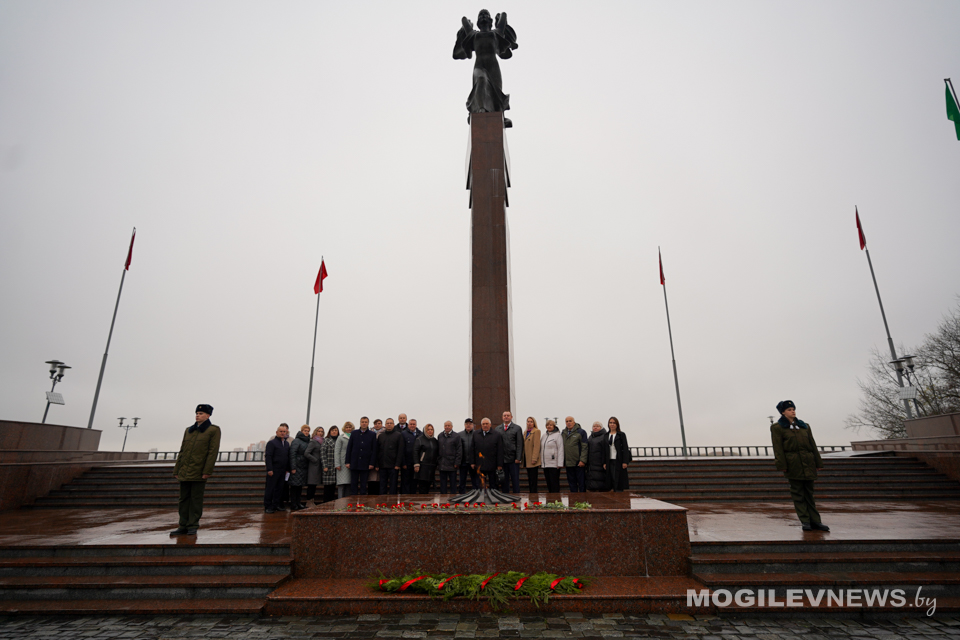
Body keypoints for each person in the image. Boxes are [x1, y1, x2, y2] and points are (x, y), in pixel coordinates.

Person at [771, 400, 829, 531]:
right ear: (783, 412)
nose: (793, 411)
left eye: (793, 408)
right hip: (793, 464)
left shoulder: (804, 426)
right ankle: (805, 521)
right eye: (789, 409)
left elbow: (813, 445)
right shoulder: (777, 427)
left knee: (809, 493)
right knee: (798, 494)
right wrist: (782, 465)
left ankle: (816, 521)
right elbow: (778, 448)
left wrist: (818, 462)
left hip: (808, 462)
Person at [171, 404, 222, 535]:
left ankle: (193, 525)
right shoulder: (189, 430)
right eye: (197, 413)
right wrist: (176, 470)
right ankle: (182, 525)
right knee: (183, 499)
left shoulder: (213, 430)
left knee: (195, 499)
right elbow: (182, 450)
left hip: (199, 471)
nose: (197, 415)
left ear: (208, 415)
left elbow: (212, 452)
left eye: (201, 413)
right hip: (184, 470)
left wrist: (207, 471)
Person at [346, 416, 378, 496]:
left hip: (366, 463)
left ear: (368, 423)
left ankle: (363, 503)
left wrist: (372, 463)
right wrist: (347, 461)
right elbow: (349, 448)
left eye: (366, 422)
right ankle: (353, 501)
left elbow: (374, 450)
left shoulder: (372, 434)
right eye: (362, 422)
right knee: (354, 484)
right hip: (354, 462)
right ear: (360, 423)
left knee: (363, 485)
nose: (364, 423)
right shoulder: (354, 433)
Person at [263, 423, 290, 513]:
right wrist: (269, 469)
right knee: (270, 488)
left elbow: (287, 456)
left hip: (282, 470)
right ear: (277, 432)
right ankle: (268, 506)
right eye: (281, 431)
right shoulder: (272, 443)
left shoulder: (286, 444)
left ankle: (276, 505)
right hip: (274, 469)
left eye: (284, 432)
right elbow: (268, 456)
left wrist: (287, 469)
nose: (282, 433)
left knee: (279, 489)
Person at [472, 417, 504, 488]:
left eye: (487, 424)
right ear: (481, 425)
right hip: (480, 464)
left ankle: (494, 498)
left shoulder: (497, 435)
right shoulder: (475, 434)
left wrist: (499, 464)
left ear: (490, 425)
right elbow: (472, 449)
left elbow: (500, 450)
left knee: (493, 484)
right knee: (480, 484)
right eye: (483, 424)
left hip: (492, 464)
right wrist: (472, 462)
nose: (485, 425)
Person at [498, 411, 524, 494]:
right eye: (504, 415)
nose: (506, 417)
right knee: (504, 481)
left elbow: (520, 444)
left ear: (511, 417)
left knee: (515, 480)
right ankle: (505, 497)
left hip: (513, 460)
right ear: (502, 417)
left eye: (508, 415)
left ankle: (517, 497)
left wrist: (518, 458)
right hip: (503, 460)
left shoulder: (517, 428)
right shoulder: (498, 429)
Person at [377, 418, 404, 495]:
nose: (389, 424)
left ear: (393, 424)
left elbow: (400, 451)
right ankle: (382, 503)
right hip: (382, 465)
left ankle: (393, 504)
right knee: (382, 485)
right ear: (385, 425)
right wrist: (377, 464)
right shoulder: (381, 436)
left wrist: (397, 464)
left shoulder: (398, 435)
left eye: (391, 423)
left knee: (393, 486)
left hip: (393, 466)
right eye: (387, 423)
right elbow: (378, 451)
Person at [288, 424, 311, 510]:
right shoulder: (297, 441)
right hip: (297, 467)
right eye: (305, 431)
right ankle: (293, 504)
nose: (307, 432)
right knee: (294, 487)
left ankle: (298, 503)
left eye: (308, 431)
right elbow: (292, 454)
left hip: (303, 467)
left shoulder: (308, 441)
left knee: (299, 487)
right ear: (301, 431)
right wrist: (293, 467)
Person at [562, 416, 588, 492]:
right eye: (567, 421)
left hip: (578, 462)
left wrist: (583, 460)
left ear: (574, 422)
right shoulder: (563, 432)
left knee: (581, 484)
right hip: (568, 463)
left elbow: (584, 447)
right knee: (572, 484)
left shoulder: (581, 432)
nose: (568, 423)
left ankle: (583, 501)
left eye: (570, 421)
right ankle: (573, 502)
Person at [437, 420, 463, 494]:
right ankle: (443, 500)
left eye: (448, 425)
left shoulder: (456, 436)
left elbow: (459, 450)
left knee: (453, 484)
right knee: (443, 484)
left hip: (452, 464)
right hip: (442, 464)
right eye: (446, 425)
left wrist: (457, 462)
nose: (447, 427)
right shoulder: (440, 435)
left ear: (452, 426)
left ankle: (453, 499)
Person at [414, 424, 440, 494]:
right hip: (422, 466)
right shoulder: (419, 439)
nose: (430, 431)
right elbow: (415, 452)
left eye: (431, 429)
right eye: (428, 429)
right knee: (422, 486)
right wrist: (416, 464)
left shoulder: (434, 440)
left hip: (432, 466)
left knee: (429, 485)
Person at [605, 417, 630, 492]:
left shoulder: (621, 435)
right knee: (611, 478)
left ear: (617, 424)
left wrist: (625, 461)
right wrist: (604, 462)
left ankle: (618, 493)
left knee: (618, 478)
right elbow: (604, 449)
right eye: (610, 423)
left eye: (614, 423)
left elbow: (625, 448)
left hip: (618, 460)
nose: (612, 424)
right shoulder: (606, 435)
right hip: (609, 460)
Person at [540, 419, 564, 493]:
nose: (549, 426)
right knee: (548, 483)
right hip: (545, 463)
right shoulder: (544, 435)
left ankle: (556, 499)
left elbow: (560, 449)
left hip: (554, 464)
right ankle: (550, 500)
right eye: (547, 425)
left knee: (554, 483)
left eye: (550, 425)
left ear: (554, 426)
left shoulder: (558, 435)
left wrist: (560, 463)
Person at [399, 418, 422, 494]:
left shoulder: (420, 434)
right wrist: (403, 463)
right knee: (405, 481)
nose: (412, 426)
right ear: (408, 425)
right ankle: (405, 498)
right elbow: (401, 449)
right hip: (407, 462)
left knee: (414, 481)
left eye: (414, 424)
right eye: (411, 424)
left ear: (416, 425)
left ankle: (413, 497)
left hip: (416, 463)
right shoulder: (403, 434)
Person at [586, 421, 610, 492]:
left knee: (601, 479)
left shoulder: (604, 436)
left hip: (600, 462)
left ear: (601, 428)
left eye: (597, 426)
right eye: (594, 426)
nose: (595, 428)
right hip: (591, 463)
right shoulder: (590, 437)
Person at [520, 416, 542, 493]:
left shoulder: (536, 431)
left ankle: (534, 494)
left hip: (532, 459)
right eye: (528, 421)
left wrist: (534, 458)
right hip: (526, 458)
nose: (529, 423)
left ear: (534, 423)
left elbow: (536, 446)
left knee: (533, 479)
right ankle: (531, 493)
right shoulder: (525, 432)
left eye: (531, 422)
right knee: (529, 478)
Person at [304, 426, 324, 504]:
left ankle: (311, 501)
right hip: (313, 466)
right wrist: (315, 460)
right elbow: (306, 453)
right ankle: (309, 502)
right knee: (311, 485)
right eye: (319, 431)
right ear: (315, 432)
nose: (320, 433)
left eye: (322, 431)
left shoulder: (322, 441)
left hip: (319, 466)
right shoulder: (313, 441)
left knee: (314, 485)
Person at [458, 418, 479, 493]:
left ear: (473, 425)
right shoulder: (460, 435)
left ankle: (476, 494)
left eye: (470, 424)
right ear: (464, 425)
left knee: (475, 481)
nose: (468, 425)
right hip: (463, 461)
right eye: (467, 424)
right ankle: (461, 495)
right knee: (462, 481)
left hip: (473, 462)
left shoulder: (477, 434)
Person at [319, 426, 339, 503]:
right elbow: (323, 453)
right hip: (328, 466)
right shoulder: (326, 440)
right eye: (332, 430)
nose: (334, 432)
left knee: (333, 487)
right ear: (329, 431)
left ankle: (332, 503)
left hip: (336, 467)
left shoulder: (338, 440)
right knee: (327, 487)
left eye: (336, 430)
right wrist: (325, 465)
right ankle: (326, 503)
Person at [335, 421, 354, 498]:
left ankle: (347, 502)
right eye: (347, 427)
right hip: (342, 464)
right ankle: (340, 501)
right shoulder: (341, 437)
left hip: (350, 463)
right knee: (341, 484)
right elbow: (337, 451)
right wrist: (337, 464)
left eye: (350, 427)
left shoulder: (353, 436)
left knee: (348, 484)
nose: (348, 429)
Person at [368, 419, 384, 495]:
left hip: (381, 458)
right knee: (371, 479)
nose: (377, 425)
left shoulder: (384, 433)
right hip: (371, 458)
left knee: (380, 480)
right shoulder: (370, 433)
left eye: (379, 423)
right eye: (376, 423)